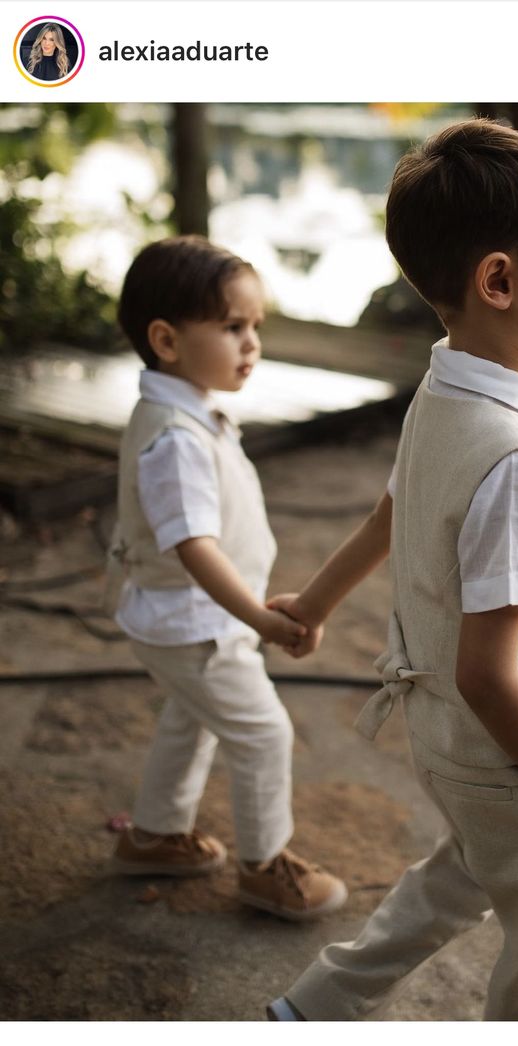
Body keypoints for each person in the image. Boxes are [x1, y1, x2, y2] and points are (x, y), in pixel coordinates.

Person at [266, 119, 518, 1020]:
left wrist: (313, 602)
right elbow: (487, 670)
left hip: (448, 744)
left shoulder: (445, 383)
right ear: (498, 280)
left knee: (458, 875)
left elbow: (396, 507)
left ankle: (309, 1007)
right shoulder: (515, 462)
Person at [106, 235, 347, 921]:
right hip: (195, 625)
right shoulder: (175, 438)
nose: (251, 343)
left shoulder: (185, 410)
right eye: (233, 326)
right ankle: (266, 866)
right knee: (262, 734)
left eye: (256, 328)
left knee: (193, 720)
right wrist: (258, 616)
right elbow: (193, 547)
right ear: (167, 340)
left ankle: (152, 835)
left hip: (194, 623)